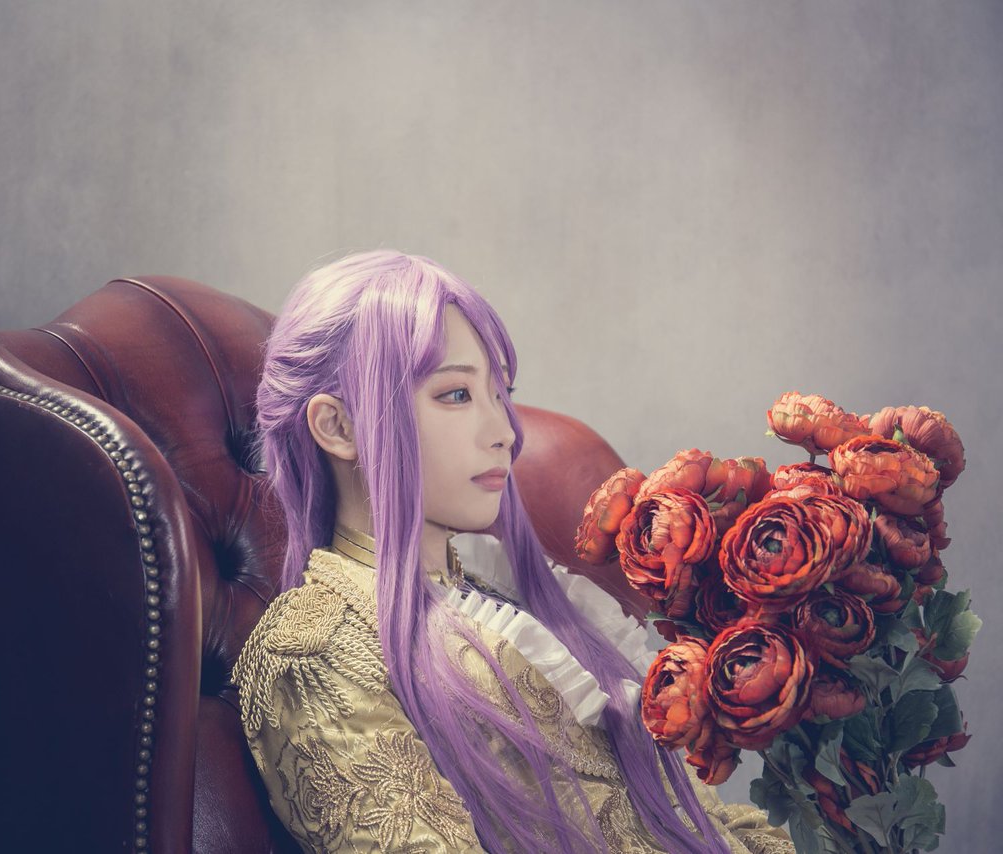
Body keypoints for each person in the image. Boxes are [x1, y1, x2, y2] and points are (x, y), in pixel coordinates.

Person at [233, 250, 793, 853]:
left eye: (499, 393)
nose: (504, 432)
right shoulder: (312, 652)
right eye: (456, 394)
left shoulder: (509, 593)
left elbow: (709, 823)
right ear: (338, 427)